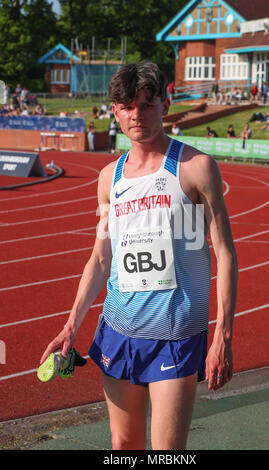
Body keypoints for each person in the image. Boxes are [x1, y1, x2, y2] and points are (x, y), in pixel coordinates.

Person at [39, 62, 238, 450]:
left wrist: (223, 336)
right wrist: (70, 326)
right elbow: (101, 257)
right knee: (123, 444)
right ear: (114, 111)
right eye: (128, 106)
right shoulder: (108, 178)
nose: (137, 115)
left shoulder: (196, 168)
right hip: (118, 329)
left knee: (166, 452)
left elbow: (225, 255)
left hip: (175, 335)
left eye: (146, 104)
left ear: (164, 105)